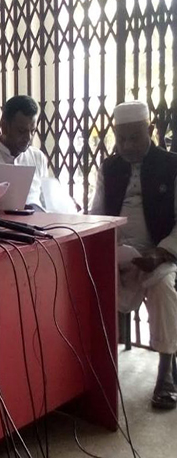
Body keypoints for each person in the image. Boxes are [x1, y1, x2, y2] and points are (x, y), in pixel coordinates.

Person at [91, 100, 177, 410]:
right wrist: (108, 251)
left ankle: (166, 372)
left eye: (134, 137)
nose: (126, 146)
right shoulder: (109, 167)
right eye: (121, 138)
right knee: (87, 281)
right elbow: (97, 215)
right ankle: (92, 371)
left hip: (160, 255)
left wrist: (161, 252)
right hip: (119, 255)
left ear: (150, 130)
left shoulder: (171, 165)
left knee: (164, 286)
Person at [0, 95, 49, 209]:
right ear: (4, 127)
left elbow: (46, 202)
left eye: (33, 131)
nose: (28, 137)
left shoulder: (38, 158)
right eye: (21, 131)